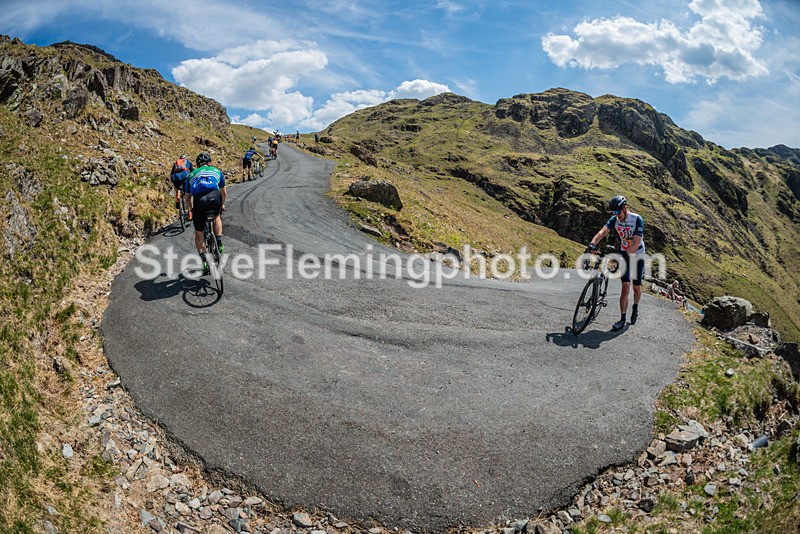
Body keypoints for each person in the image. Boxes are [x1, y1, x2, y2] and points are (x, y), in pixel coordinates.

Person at [587, 195, 646, 331]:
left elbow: (636, 244)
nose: (616, 215)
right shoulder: (615, 219)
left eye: (617, 212)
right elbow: (602, 232)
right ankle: (622, 318)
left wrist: (623, 253)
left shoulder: (637, 219)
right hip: (625, 254)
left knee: (636, 288)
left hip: (637, 255)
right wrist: (592, 243)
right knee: (625, 287)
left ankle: (635, 306)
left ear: (625, 208)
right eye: (613, 213)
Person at [186, 152, 226, 275]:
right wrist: (222, 205)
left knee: (199, 232)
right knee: (217, 216)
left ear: (198, 165)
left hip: (200, 200)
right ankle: (219, 242)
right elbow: (224, 192)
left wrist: (191, 209)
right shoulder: (216, 171)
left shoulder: (192, 174)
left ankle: (204, 261)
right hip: (215, 196)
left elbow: (187, 197)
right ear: (210, 163)